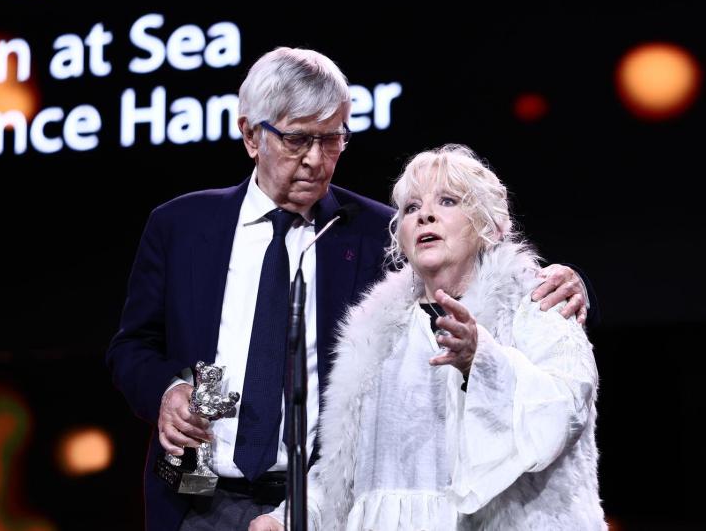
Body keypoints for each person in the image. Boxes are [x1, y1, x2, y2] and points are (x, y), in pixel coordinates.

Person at [107, 47, 594, 531]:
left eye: (333, 139)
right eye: (298, 139)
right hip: (199, 490)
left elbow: (478, 262)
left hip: (323, 500)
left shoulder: (378, 232)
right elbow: (133, 347)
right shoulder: (182, 226)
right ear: (251, 135)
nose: (316, 161)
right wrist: (168, 391)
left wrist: (567, 281)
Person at [251, 144, 605, 531]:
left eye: (448, 200)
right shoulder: (375, 337)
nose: (426, 216)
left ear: (492, 224)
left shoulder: (538, 300)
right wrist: (284, 519)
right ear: (399, 236)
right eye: (411, 208)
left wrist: (480, 361)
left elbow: (562, 411)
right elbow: (347, 473)